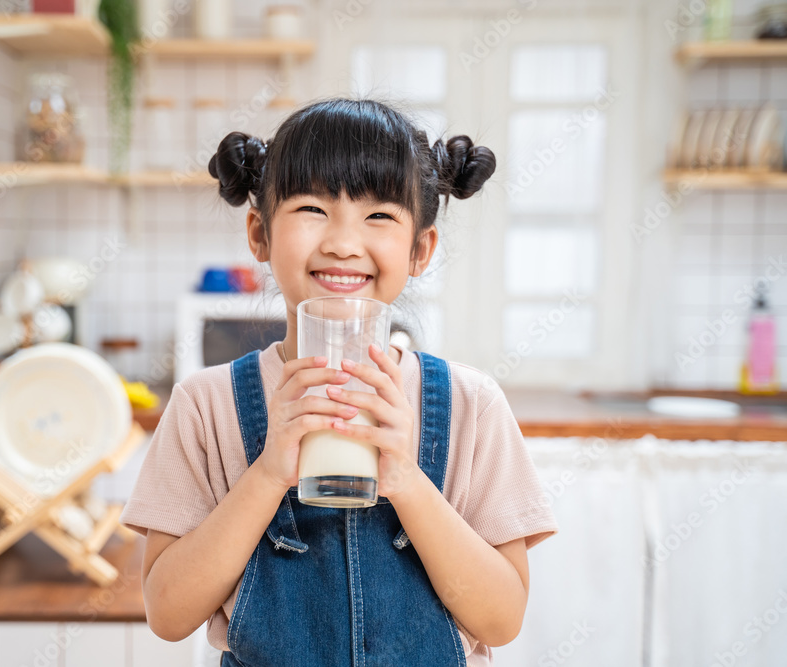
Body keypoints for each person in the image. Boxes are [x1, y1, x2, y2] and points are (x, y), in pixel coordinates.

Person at [120, 98, 559, 666]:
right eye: (311, 208)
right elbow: (168, 614)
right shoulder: (206, 406)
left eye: (379, 215)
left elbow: (501, 620)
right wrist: (268, 472)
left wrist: (405, 478)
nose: (343, 243)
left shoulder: (471, 405)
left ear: (420, 247)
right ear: (260, 234)